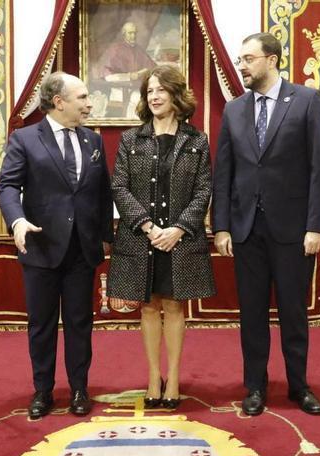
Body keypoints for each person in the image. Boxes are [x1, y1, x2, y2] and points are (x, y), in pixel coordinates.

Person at [211, 33, 320, 416]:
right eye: (240, 58)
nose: (242, 66)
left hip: (294, 230)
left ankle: (299, 386)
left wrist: (316, 226)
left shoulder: (306, 101)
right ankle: (255, 388)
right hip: (247, 230)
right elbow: (224, 173)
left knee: (294, 314)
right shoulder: (234, 110)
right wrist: (222, 227)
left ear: (273, 60)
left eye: (248, 58)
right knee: (252, 314)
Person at [0, 71, 114, 419]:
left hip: (82, 250)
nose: (89, 104)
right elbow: (7, 187)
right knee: (42, 324)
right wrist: (16, 220)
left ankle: (79, 389)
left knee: (80, 323)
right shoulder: (25, 139)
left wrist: (106, 238)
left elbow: (102, 192)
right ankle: (43, 391)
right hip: (41, 245)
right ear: (58, 102)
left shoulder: (92, 142)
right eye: (82, 98)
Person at [108, 65, 215, 410]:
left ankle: (174, 378)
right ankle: (154, 377)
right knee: (149, 306)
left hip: (179, 240)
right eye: (149, 92)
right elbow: (119, 187)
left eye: (160, 91)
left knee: (173, 305)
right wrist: (149, 227)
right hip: (142, 239)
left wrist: (178, 229)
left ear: (175, 95)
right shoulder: (130, 139)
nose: (153, 97)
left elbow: (203, 190)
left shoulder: (197, 140)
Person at [94, 21, 156, 118]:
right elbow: (108, 76)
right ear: (124, 34)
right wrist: (129, 76)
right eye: (130, 33)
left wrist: (140, 73)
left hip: (136, 89)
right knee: (139, 103)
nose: (133, 36)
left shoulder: (138, 49)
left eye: (135, 33)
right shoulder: (116, 49)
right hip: (120, 90)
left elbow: (151, 66)